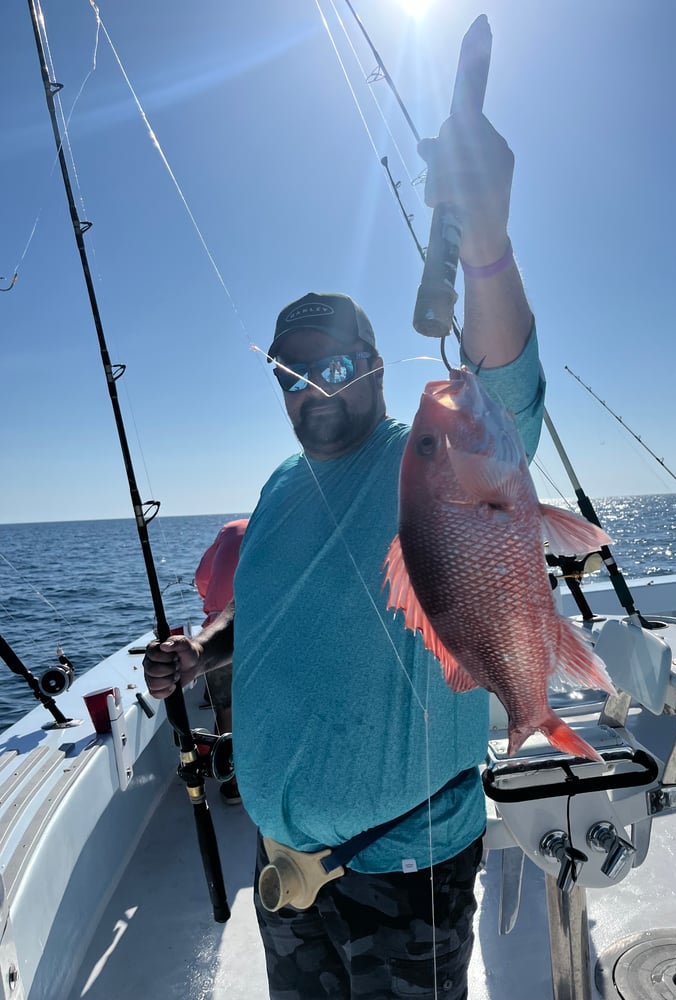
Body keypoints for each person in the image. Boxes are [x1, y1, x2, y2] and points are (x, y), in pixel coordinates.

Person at [144, 109, 544, 999]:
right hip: (287, 874)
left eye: (332, 369)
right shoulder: (281, 485)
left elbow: (505, 393)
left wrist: (484, 244)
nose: (312, 391)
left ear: (374, 367)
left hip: (404, 874)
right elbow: (263, 608)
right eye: (293, 375)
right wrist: (197, 653)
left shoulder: (430, 461)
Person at [194, 518, 248, 804]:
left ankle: (231, 783)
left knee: (226, 710)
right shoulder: (271, 527)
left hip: (216, 631)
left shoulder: (227, 530)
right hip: (258, 628)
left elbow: (202, 577)